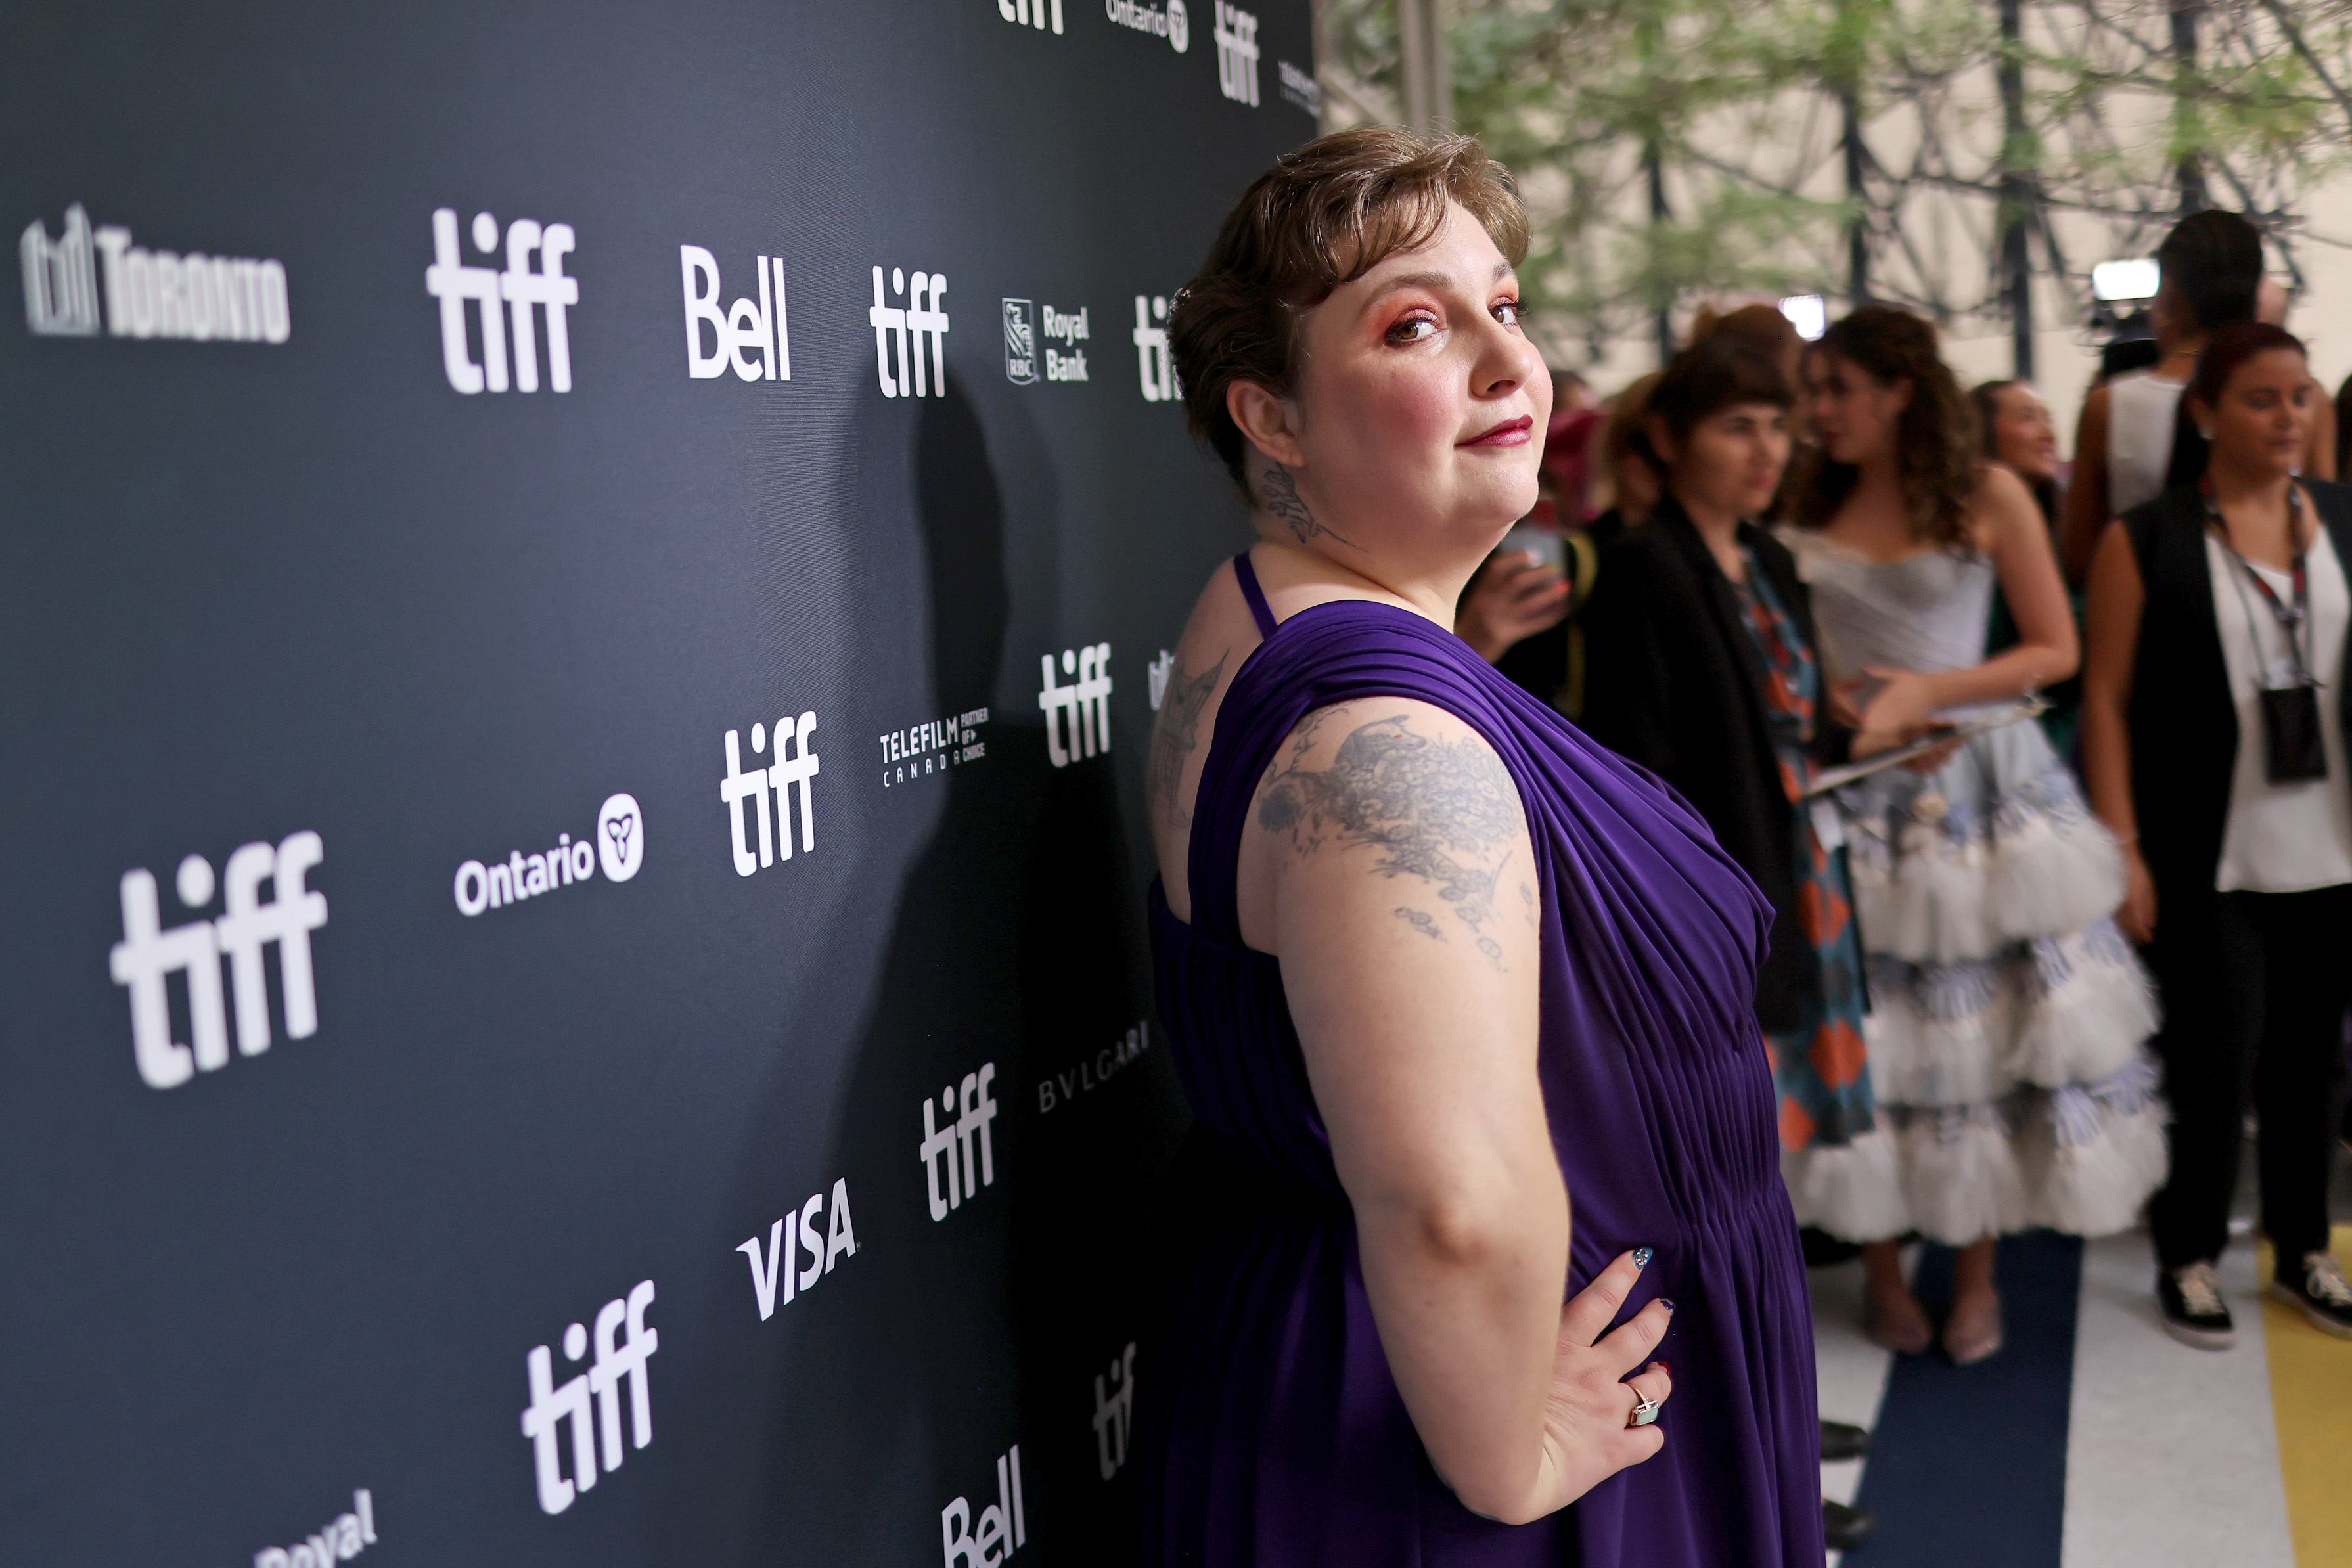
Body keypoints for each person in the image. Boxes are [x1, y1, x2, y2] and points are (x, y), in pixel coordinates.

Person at [1139, 127, 1822, 1566]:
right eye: (1414, 325)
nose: (1509, 364)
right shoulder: (1388, 739)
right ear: (1270, 416)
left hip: (1393, 1360)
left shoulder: (1267, 610)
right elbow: (1446, 1200)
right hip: (1470, 1438)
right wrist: (1510, 1447)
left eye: (1500, 307)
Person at [1578, 334, 1937, 1552]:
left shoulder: (1770, 556)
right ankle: (1749, 1452)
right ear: (1670, 438)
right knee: (1724, 1198)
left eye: (1780, 426)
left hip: (1802, 887)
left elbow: (1786, 725)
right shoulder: (1645, 571)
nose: (1768, 449)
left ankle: (1782, 1427)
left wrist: (1869, 736)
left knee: (1769, 1197)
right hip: (1711, 922)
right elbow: (1643, 777)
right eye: (1740, 425)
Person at [1783, 304, 2166, 1365]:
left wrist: (1933, 694)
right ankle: (1886, 1267)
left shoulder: (1990, 490)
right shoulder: (1804, 498)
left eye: (1836, 390)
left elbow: (2053, 648)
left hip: (1977, 786)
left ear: (1899, 389)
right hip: (1855, 789)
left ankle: (1981, 1275)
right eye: (1812, 392)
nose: (1818, 413)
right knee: (1880, 1038)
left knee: (1984, 1038)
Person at [2079, 321, 2352, 1347]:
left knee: (2315, 1062)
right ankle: (2187, 1250)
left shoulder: (2342, 519)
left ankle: (2303, 1246)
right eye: (2262, 399)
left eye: (2301, 396)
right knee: (2214, 1057)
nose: (2289, 417)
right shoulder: (2145, 537)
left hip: (2335, 842)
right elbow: (2104, 699)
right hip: (2210, 848)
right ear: (2205, 415)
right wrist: (2125, 844)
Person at [2061, 210, 2335, 585]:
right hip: (2285, 604)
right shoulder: (2306, 399)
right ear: (2255, 293)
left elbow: (2080, 559)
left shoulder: (2108, 405)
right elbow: (2328, 531)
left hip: (2149, 614)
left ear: (2170, 296)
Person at [1974, 379, 2081, 753]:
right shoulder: (1976, 542)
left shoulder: (2060, 528)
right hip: (2010, 735)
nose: (2049, 433)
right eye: (2029, 418)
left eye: (2048, 419)